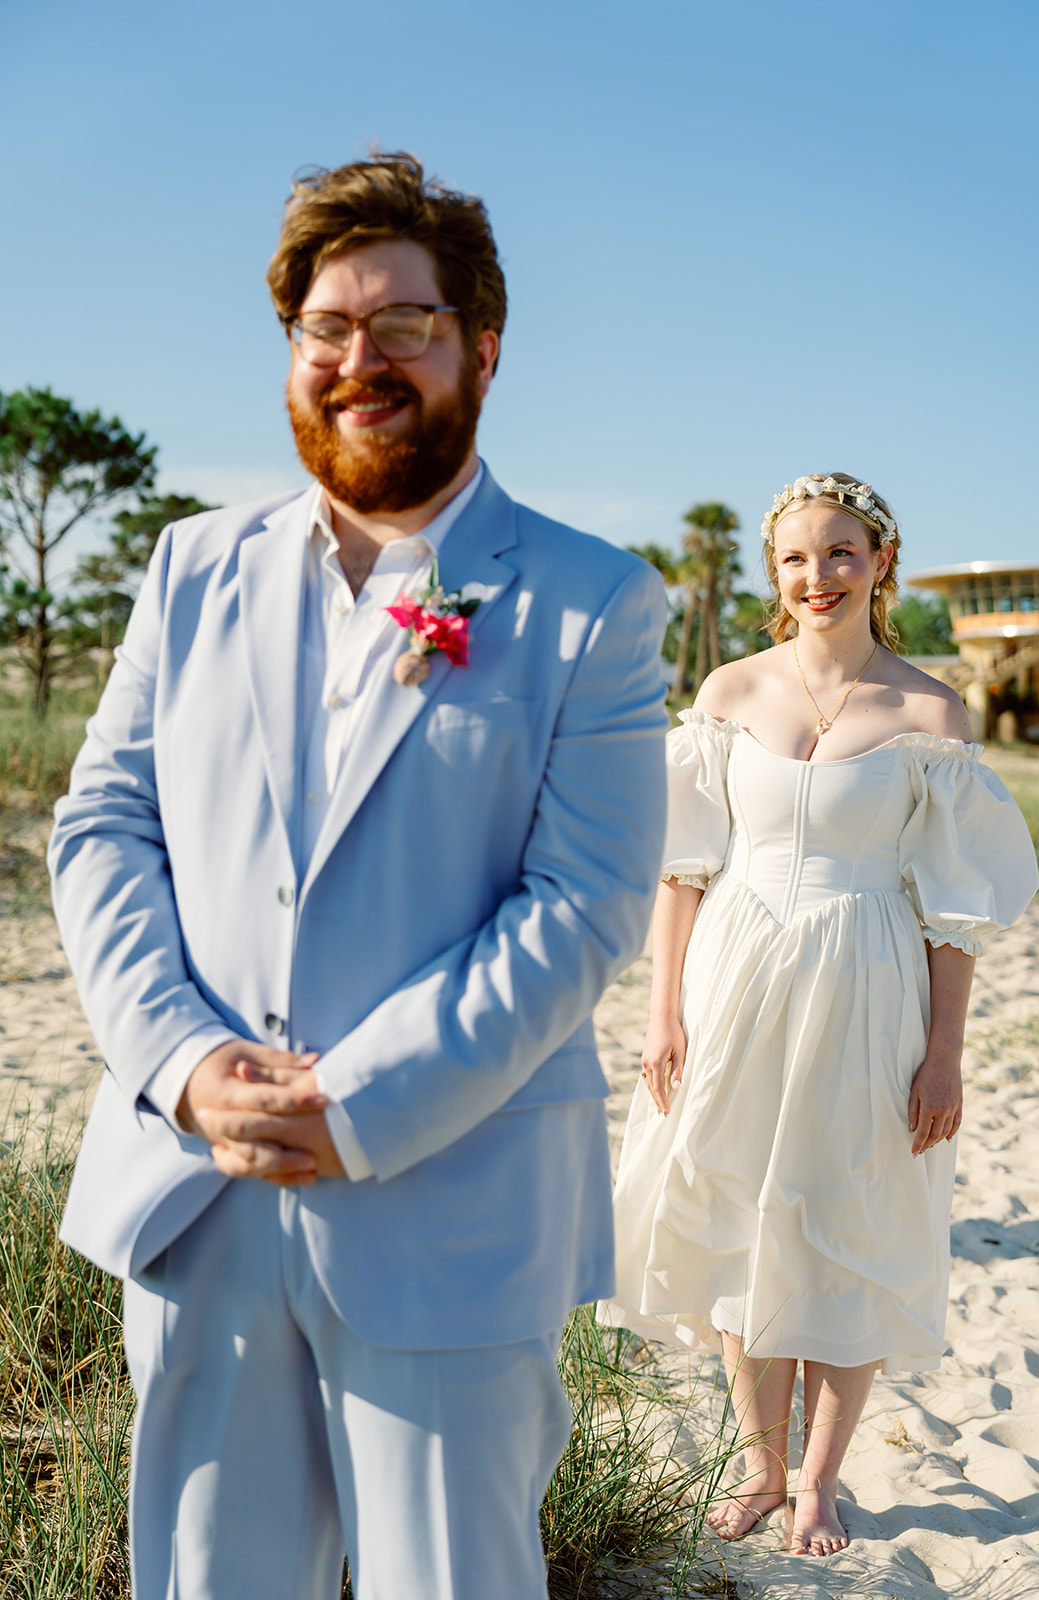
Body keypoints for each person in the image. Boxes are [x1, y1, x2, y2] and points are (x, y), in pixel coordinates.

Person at [49, 152, 668, 1600]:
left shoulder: (592, 600)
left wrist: (357, 1103)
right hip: (199, 1193)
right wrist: (185, 1062)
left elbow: (582, 903)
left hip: (452, 1209)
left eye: (402, 324)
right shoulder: (189, 568)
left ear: (481, 349)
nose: (357, 360)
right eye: (325, 328)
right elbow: (104, 826)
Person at [598, 472, 1038, 1557]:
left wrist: (943, 1054)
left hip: (866, 984)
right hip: (731, 977)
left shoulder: (929, 710)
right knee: (740, 1215)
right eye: (795, 557)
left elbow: (952, 909)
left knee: (850, 1221)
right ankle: (759, 1468)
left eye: (840, 552)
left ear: (880, 562)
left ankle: (818, 1484)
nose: (817, 576)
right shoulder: (728, 691)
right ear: (774, 570)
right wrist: (662, 1015)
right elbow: (682, 870)